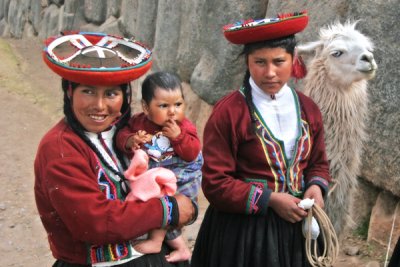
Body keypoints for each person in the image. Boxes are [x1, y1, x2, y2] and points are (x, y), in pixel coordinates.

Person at [35, 32, 197, 267]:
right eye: (88, 91)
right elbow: (94, 222)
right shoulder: (59, 148)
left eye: (111, 93)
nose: (99, 106)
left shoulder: (127, 131)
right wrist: (169, 210)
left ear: (125, 96)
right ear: (70, 93)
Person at [191, 11, 332, 267]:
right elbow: (215, 183)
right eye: (260, 62)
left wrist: (316, 187)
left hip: (298, 231)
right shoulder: (229, 113)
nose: (270, 72)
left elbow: (319, 163)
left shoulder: (309, 109)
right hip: (245, 237)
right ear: (247, 62)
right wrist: (270, 199)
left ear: (294, 61)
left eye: (279, 61)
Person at [116, 71, 203, 263]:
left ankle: (156, 241)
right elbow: (121, 135)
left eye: (178, 104)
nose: (172, 111)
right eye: (164, 106)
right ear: (146, 108)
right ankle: (181, 248)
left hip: (182, 175)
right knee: (152, 200)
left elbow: (192, 152)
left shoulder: (185, 127)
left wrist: (178, 137)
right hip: (157, 175)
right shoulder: (138, 123)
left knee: (168, 205)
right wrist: (131, 140)